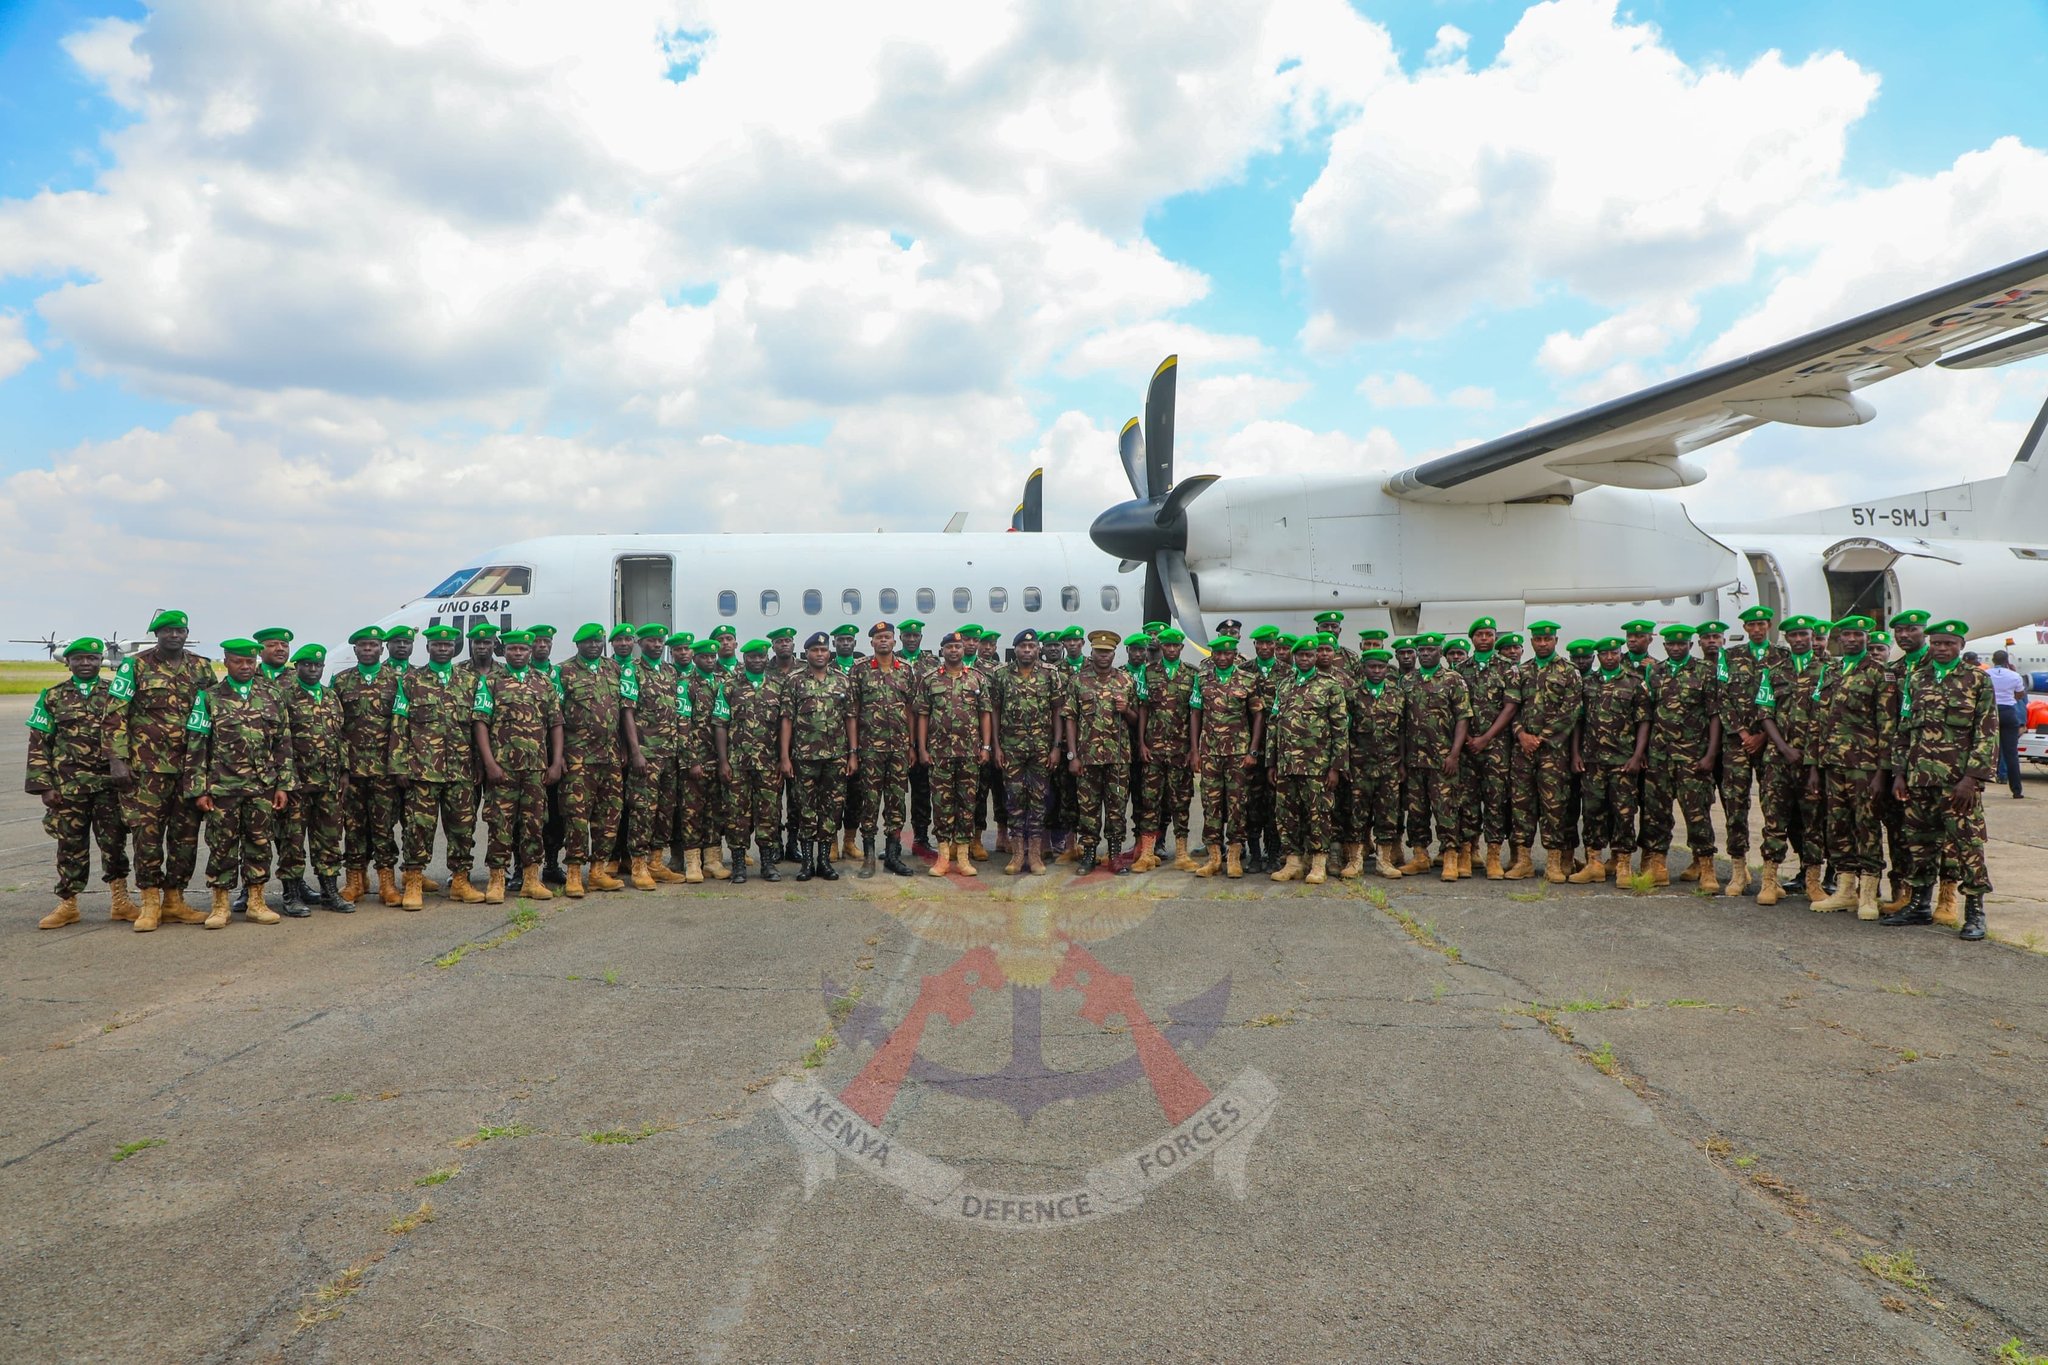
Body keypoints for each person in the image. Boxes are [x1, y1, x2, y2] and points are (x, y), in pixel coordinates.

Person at [1882, 620, 1994, 940]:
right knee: (1920, 845)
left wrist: (1972, 779)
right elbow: (1905, 730)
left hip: (1957, 783)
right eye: (1937, 643)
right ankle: (1918, 905)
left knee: (1968, 846)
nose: (1942, 648)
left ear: (1960, 645)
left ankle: (1974, 911)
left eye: (1949, 643)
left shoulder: (1977, 680)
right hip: (1919, 780)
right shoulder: (1917, 679)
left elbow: (1987, 733)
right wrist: (1900, 774)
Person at [108, 608, 213, 929]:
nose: (174, 636)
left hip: (189, 769)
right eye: (167, 631)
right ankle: (150, 903)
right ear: (157, 634)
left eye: (180, 631)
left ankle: (175, 900)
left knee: (185, 837)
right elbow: (115, 714)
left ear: (186, 634)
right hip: (146, 770)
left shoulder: (201, 667)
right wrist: (117, 759)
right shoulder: (135, 665)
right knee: (147, 836)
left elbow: (214, 713)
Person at [182, 638, 294, 928]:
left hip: (261, 786)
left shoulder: (271, 695)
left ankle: (257, 902)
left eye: (250, 661)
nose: (245, 666)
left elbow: (282, 742)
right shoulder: (209, 697)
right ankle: (220, 905)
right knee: (222, 845)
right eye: (238, 661)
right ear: (226, 662)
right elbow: (196, 745)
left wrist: (283, 784)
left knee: (260, 843)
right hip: (223, 787)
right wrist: (199, 788)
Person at [26, 638, 135, 929]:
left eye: (92, 658)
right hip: (68, 788)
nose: (86, 664)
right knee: (70, 846)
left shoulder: (115, 693)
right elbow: (39, 744)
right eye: (79, 659)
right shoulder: (53, 696)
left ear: (100, 661)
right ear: (68, 662)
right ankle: (68, 904)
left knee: (114, 844)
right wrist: (44, 786)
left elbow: (130, 735)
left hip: (108, 786)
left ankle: (121, 901)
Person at [389, 625, 486, 908]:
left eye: (447, 645)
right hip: (423, 770)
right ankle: (414, 881)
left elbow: (478, 727)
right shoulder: (410, 681)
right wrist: (399, 766)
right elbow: (399, 725)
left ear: (454, 648)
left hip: (461, 770)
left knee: (462, 828)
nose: (442, 649)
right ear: (428, 648)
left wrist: (479, 763)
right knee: (418, 829)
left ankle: (460, 881)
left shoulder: (469, 682)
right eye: (437, 645)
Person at [1803, 616, 1891, 918]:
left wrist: (1882, 773)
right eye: (1847, 634)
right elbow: (1818, 721)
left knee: (1866, 826)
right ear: (1839, 638)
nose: (1852, 639)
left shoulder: (1880, 674)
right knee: (1837, 826)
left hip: (1864, 766)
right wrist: (1814, 767)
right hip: (1832, 765)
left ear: (1866, 637)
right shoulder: (1832, 670)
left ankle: (1868, 894)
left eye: (1858, 634)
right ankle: (1844, 890)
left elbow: (1887, 726)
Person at [473, 630, 563, 903]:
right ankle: (497, 879)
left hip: (535, 769)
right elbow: (480, 723)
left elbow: (556, 723)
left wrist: (556, 762)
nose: (519, 653)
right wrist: (489, 763)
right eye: (513, 649)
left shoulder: (544, 682)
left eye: (523, 649)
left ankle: (532, 879)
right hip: (503, 769)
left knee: (534, 823)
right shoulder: (491, 682)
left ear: (530, 651)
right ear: (505, 652)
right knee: (499, 824)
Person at [558, 622, 640, 897]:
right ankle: (573, 873)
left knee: (610, 815)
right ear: (578, 645)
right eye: (588, 642)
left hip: (610, 757)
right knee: (577, 818)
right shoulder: (564, 671)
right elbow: (554, 718)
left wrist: (628, 749)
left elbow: (623, 713)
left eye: (598, 641)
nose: (594, 645)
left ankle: (597, 871)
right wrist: (557, 757)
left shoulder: (613, 669)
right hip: (579, 758)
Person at [1639, 625, 1721, 890]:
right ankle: (1658, 866)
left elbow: (1714, 716)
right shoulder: (1655, 671)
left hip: (1692, 756)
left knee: (1697, 814)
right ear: (1664, 647)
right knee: (1656, 814)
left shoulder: (1705, 671)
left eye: (1681, 644)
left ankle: (1706, 867)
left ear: (1689, 645)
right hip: (1659, 756)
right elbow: (1648, 715)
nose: (1676, 648)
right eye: (1671, 644)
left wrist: (1710, 755)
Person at [1754, 616, 1827, 906]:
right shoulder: (1773, 672)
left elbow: (1829, 717)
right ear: (1786, 638)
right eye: (1793, 635)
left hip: (1814, 762)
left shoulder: (1826, 671)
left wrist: (1811, 761)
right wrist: (1784, 749)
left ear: (1812, 636)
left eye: (1803, 634)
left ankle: (1812, 881)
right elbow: (1765, 713)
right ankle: (1769, 881)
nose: (1798, 640)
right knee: (1774, 821)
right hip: (1778, 760)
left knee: (1813, 822)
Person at [1266, 635, 1348, 883]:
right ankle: (1293, 862)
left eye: (1309, 655)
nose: (1305, 659)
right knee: (1286, 815)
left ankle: (1318, 863)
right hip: (1287, 764)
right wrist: (1271, 762)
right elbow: (1274, 724)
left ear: (1316, 658)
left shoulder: (1330, 685)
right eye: (1301, 655)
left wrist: (1336, 767)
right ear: (1294, 657)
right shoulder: (1285, 685)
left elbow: (1340, 729)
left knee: (1318, 814)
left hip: (1317, 766)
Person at [1569, 638, 1649, 886]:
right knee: (1592, 813)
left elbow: (1643, 721)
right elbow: (1578, 721)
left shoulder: (1634, 683)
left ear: (1619, 654)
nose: (1610, 658)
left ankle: (1623, 864)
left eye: (1614, 653)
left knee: (1624, 812)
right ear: (1598, 656)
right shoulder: (1587, 684)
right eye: (1605, 654)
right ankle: (1594, 863)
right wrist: (1575, 754)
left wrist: (1637, 755)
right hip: (1592, 760)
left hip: (1622, 761)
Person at [278, 642, 349, 914]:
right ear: (297, 667)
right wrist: (286, 779)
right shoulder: (285, 696)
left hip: (329, 782)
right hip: (298, 783)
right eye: (307, 665)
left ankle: (330, 892)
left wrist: (344, 771)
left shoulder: (330, 696)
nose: (312, 669)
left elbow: (340, 736)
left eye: (317, 665)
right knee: (292, 841)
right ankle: (292, 895)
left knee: (329, 839)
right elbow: (280, 741)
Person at [780, 631, 856, 882]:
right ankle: (807, 862)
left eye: (823, 651)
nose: (820, 654)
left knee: (832, 809)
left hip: (836, 756)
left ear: (829, 653)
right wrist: (785, 757)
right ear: (807, 653)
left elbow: (850, 719)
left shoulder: (842, 681)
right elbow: (787, 720)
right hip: (804, 757)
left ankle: (824, 861)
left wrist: (852, 754)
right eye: (815, 650)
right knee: (805, 809)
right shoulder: (795, 681)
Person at [1511, 622, 1582, 884]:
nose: (1543, 643)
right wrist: (1521, 734)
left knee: (1554, 806)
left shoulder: (1569, 672)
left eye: (1547, 639)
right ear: (1531, 642)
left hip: (1553, 752)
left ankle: (1553, 862)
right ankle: (1524, 861)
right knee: (1522, 805)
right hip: (1523, 750)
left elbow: (1571, 711)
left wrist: (1540, 738)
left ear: (1555, 640)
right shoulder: (1522, 671)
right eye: (1538, 639)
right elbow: (1511, 707)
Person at [916, 630, 989, 877]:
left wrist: (986, 746)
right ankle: (943, 857)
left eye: (958, 647)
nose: (955, 651)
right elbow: (922, 716)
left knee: (967, 805)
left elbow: (985, 714)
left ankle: (964, 858)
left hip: (969, 753)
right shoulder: (930, 680)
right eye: (950, 647)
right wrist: (923, 748)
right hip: (939, 754)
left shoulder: (976, 679)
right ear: (942, 651)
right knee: (941, 804)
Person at [1399, 634, 1471, 880]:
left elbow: (1463, 718)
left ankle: (1450, 856)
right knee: (1416, 811)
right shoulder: (1407, 681)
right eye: (1422, 650)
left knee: (1446, 809)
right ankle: (1420, 856)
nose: (1426, 653)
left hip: (1442, 759)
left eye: (1431, 649)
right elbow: (1400, 723)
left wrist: (1454, 754)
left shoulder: (1454, 680)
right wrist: (1401, 759)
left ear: (1440, 652)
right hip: (1414, 759)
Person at [1190, 633, 1263, 878]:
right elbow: (1195, 714)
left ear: (1235, 654)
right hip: (1210, 752)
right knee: (1210, 806)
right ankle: (1213, 858)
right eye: (1218, 653)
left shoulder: (1248, 679)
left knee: (1237, 805)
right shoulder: (1201, 679)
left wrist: (1253, 750)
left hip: (1238, 754)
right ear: (1212, 655)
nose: (1222, 657)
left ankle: (1234, 857)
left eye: (1227, 653)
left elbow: (1257, 716)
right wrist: (1195, 750)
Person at [1068, 630, 1139, 875]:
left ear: (1114, 653)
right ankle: (1088, 854)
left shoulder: (1126, 680)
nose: (1103, 656)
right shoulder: (1078, 680)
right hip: (1087, 757)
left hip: (1118, 757)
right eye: (1099, 651)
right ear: (1092, 652)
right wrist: (1072, 755)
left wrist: (1126, 708)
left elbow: (1136, 719)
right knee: (1087, 808)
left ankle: (1115, 855)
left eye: (1107, 652)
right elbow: (1070, 718)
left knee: (1117, 807)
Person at [715, 639, 784, 883]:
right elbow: (721, 725)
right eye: (752, 657)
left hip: (767, 763)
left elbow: (784, 726)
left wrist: (781, 759)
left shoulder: (777, 686)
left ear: (767, 658)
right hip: (737, 763)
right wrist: (723, 761)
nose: (756, 660)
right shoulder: (729, 687)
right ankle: (738, 865)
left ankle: (767, 864)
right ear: (744, 659)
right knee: (736, 815)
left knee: (768, 814)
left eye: (760, 656)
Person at [854, 621, 917, 877]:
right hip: (870, 749)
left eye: (887, 637)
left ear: (894, 641)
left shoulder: (906, 671)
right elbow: (853, 711)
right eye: (879, 637)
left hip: (899, 749)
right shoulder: (860, 671)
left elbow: (912, 710)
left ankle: (892, 855)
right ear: (871, 642)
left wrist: (912, 745)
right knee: (869, 802)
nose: (883, 640)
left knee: (896, 803)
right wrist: (854, 748)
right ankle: (869, 856)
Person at [1133, 627, 1199, 872]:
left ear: (1181, 648)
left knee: (1181, 802)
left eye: (1175, 646)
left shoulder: (1193, 674)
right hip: (1154, 750)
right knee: (1150, 802)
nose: (1171, 649)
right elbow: (1143, 710)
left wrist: (1194, 749)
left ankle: (1181, 852)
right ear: (1161, 647)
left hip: (1181, 750)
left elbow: (1195, 713)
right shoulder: (1147, 673)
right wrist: (1141, 743)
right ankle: (1147, 854)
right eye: (1167, 646)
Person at [624, 623, 686, 887]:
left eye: (660, 641)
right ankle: (638, 865)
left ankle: (656, 862)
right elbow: (627, 712)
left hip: (669, 755)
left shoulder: (671, 672)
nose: (657, 645)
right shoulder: (633, 671)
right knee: (642, 811)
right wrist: (635, 751)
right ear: (640, 643)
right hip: (646, 755)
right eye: (651, 641)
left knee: (665, 811)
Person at [1459, 615, 1518, 879]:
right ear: (1472, 638)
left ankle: (1494, 855)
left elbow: (1510, 706)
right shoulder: (1460, 669)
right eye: (1480, 634)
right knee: (1466, 801)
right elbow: (1457, 709)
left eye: (1489, 634)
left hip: (1496, 746)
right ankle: (1468, 851)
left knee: (1495, 801)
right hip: (1466, 747)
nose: (1485, 638)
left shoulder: (1508, 668)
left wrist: (1485, 738)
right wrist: (1469, 739)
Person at [1343, 646, 1405, 879]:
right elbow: (1345, 732)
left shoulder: (1397, 695)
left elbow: (1402, 732)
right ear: (1364, 668)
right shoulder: (1351, 695)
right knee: (1357, 813)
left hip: (1389, 765)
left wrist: (1401, 763)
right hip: (1360, 765)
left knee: (1387, 814)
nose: (1377, 671)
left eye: (1381, 667)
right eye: (1372, 667)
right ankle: (1355, 861)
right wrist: (1345, 762)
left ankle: (1384, 861)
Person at [1987, 649, 2028, 797]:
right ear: (2006, 661)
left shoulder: (1986, 674)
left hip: (1990, 713)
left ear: (1993, 660)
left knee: (1984, 749)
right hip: (2008, 712)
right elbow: (2020, 694)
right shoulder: (2015, 675)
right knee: (2011, 753)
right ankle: (2016, 790)